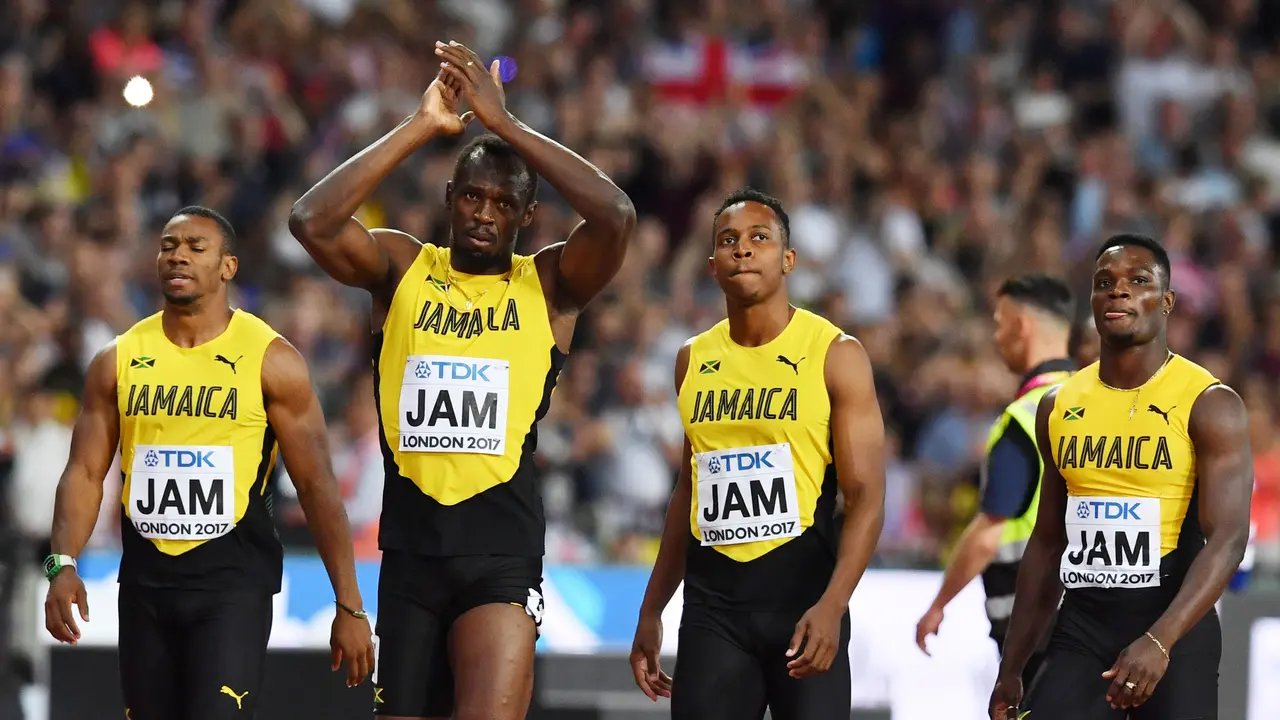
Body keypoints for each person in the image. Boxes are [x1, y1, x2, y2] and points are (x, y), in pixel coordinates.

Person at [288, 42, 635, 720]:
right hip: (411, 556)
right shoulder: (403, 266)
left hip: (501, 555)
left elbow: (616, 216)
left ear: (525, 217)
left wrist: (505, 126)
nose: (483, 212)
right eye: (472, 195)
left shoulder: (550, 284)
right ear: (450, 198)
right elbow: (312, 220)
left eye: (503, 203)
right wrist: (422, 125)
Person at [43, 207, 374, 720]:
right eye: (168, 245)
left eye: (196, 247)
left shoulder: (272, 360)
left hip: (232, 590)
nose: (177, 254)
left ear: (228, 267)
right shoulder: (118, 359)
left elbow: (316, 485)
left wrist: (349, 604)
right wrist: (62, 563)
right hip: (145, 590)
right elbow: (85, 473)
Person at [628, 189, 886, 720]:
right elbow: (689, 491)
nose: (742, 250)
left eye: (759, 238)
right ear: (712, 266)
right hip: (713, 612)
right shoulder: (692, 359)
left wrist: (834, 604)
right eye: (728, 241)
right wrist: (652, 609)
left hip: (804, 606)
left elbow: (865, 497)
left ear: (788, 260)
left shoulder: (836, 354)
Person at [989, 234, 1253, 720]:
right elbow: (1047, 544)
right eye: (1104, 283)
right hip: (1082, 627)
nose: (1119, 292)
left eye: (1139, 281)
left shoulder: (1209, 403)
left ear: (1167, 301)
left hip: (1176, 628)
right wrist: (1012, 667)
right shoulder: (1059, 404)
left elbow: (1230, 539)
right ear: (1091, 300)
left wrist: (1161, 639)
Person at [916, 275, 1075, 692]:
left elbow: (990, 531)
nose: (996, 335)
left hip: (1032, 622)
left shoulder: (1023, 417)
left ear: (1022, 326)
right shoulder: (1099, 404)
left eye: (1000, 321)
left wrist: (938, 604)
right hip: (1095, 614)